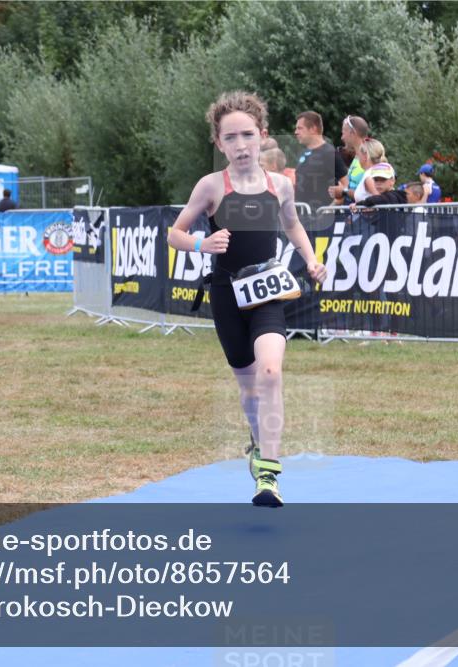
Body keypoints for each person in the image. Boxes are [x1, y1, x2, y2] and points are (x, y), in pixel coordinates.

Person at [167, 91, 326, 508]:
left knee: (270, 372)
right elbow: (174, 233)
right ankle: (257, 441)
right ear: (219, 143)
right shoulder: (211, 186)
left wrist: (311, 260)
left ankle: (269, 477)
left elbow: (292, 226)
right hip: (226, 294)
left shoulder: (281, 185)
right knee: (249, 386)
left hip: (267, 292)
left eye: (247, 135)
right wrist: (203, 242)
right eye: (230, 138)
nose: (240, 145)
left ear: (262, 137)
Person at [293, 111, 346, 212]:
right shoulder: (304, 153)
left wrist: (327, 210)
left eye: (300, 128)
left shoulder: (329, 153)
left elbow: (346, 185)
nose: (296, 132)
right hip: (303, 218)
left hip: (323, 221)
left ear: (313, 129)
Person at [328, 115, 370, 204]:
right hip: (354, 213)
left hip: (366, 213)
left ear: (352, 133)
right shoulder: (357, 157)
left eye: (344, 132)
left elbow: (374, 193)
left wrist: (344, 191)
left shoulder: (369, 155)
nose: (342, 138)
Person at [352, 138, 387, 202]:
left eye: (359, 155)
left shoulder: (369, 176)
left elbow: (379, 201)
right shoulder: (383, 172)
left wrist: (364, 207)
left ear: (365, 156)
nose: (358, 159)